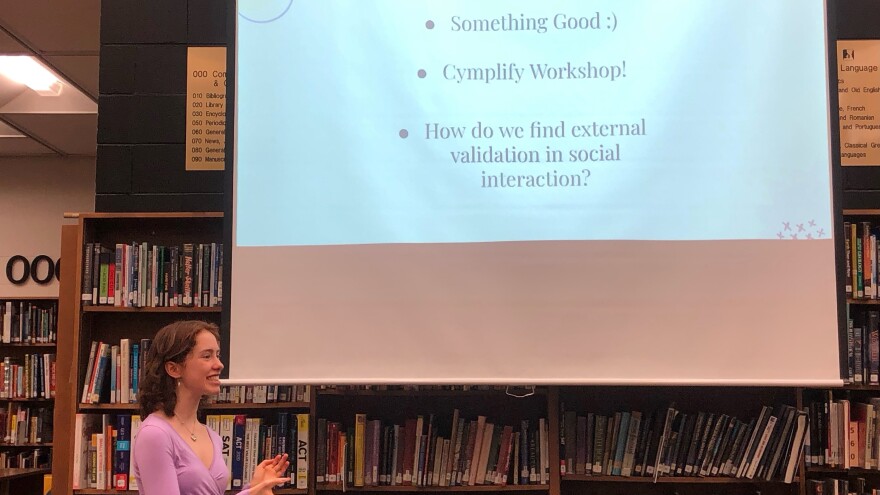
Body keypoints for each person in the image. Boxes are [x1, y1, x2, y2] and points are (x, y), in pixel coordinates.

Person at [132, 320, 289, 495]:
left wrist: (255, 486)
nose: (219, 365)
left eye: (217, 355)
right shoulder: (154, 434)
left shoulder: (211, 436)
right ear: (174, 369)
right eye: (207, 356)